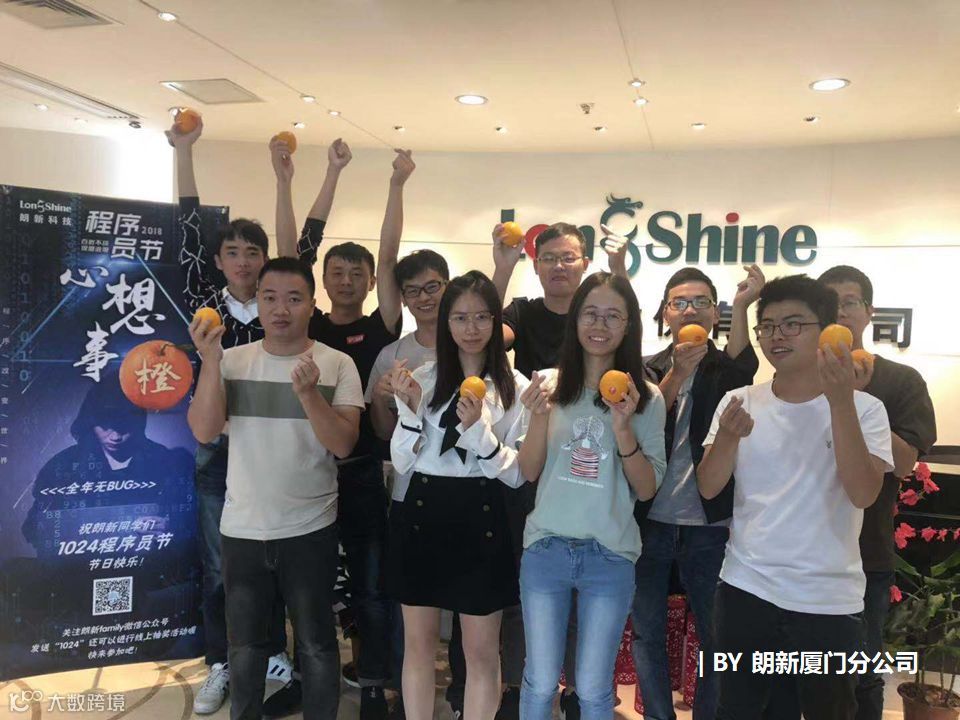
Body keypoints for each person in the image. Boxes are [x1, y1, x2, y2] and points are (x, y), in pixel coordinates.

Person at [168, 116, 351, 715]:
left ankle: (278, 663)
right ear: (220, 261)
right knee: (226, 584)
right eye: (233, 254)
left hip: (297, 480)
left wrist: (293, 177)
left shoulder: (313, 338)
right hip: (229, 462)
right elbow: (187, 223)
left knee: (310, 622)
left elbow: (305, 239)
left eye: (254, 253)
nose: (245, 264)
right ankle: (225, 664)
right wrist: (184, 152)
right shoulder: (214, 318)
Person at [697, 274, 894, 720]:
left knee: (830, 711)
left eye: (792, 324)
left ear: (825, 330)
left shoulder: (866, 409)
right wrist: (727, 438)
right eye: (767, 326)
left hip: (827, 598)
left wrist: (840, 401)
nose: (776, 336)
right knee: (738, 710)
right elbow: (708, 487)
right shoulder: (739, 400)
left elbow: (863, 492)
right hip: (746, 588)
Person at [187, 257, 364, 720]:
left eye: (293, 299)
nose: (281, 309)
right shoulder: (232, 361)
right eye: (270, 298)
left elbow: (343, 443)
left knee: (317, 643)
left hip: (310, 529)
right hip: (243, 528)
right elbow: (204, 429)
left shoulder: (337, 363)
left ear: (312, 305)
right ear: (257, 302)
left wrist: (308, 395)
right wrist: (210, 362)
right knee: (245, 646)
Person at [267, 146, 405, 720]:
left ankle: (372, 684)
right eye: (337, 273)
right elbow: (288, 255)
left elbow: (391, 255)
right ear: (322, 281)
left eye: (357, 273)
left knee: (370, 589)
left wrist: (396, 185)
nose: (347, 280)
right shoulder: (311, 326)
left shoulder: (382, 327)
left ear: (371, 283)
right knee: (309, 590)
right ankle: (307, 678)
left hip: (363, 476)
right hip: (306, 476)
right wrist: (289, 180)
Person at [490, 222, 628, 720]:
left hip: (591, 478)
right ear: (536, 264)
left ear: (585, 263)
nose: (558, 266)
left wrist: (620, 271)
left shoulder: (606, 327)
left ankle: (577, 692)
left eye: (568, 257)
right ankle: (525, 686)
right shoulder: (524, 313)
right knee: (530, 594)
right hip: (538, 463)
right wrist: (501, 269)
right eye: (548, 257)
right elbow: (487, 335)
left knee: (587, 593)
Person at [517, 271, 667, 720]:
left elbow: (646, 488)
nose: (600, 325)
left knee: (595, 687)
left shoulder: (646, 398)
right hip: (546, 546)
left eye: (613, 316)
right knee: (540, 680)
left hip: (610, 554)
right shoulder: (548, 385)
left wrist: (622, 429)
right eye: (590, 313)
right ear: (575, 320)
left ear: (628, 325)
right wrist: (538, 417)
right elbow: (528, 471)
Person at [386, 271, 530, 720]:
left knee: (481, 651)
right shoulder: (424, 379)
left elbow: (518, 475)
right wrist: (409, 412)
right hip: (422, 510)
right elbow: (403, 462)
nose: (471, 329)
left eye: (482, 317)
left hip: (483, 515)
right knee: (419, 645)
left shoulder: (516, 388)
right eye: (461, 317)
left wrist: (481, 435)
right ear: (446, 322)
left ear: (496, 322)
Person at [631, 265, 763, 720]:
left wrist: (743, 304)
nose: (690, 310)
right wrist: (675, 374)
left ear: (714, 313)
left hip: (710, 523)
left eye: (701, 302)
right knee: (646, 632)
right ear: (665, 313)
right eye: (680, 302)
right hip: (649, 521)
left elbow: (746, 365)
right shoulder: (648, 367)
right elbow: (640, 422)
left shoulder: (726, 368)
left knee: (716, 636)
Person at [818, 265, 937, 720]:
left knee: (861, 673)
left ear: (869, 312)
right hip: (798, 554)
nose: (840, 312)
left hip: (864, 553)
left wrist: (855, 398)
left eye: (850, 302)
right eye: (830, 304)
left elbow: (904, 463)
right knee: (797, 672)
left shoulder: (900, 381)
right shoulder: (798, 378)